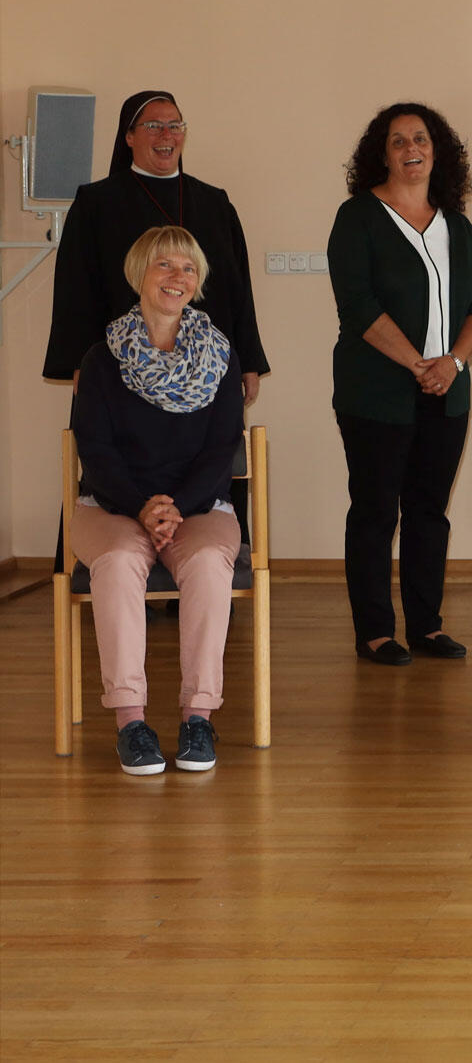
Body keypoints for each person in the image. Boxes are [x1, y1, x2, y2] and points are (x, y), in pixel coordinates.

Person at [69, 226, 245, 774]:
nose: (177, 277)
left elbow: (222, 450)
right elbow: (94, 449)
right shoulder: (102, 359)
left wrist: (174, 507)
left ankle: (198, 718)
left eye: (188, 268)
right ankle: (131, 723)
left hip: (201, 506)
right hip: (111, 504)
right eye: (165, 266)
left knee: (208, 566)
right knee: (120, 562)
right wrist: (143, 507)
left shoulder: (220, 357)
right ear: (140, 275)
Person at [328, 103, 472, 666]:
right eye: (397, 141)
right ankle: (375, 630)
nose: (410, 149)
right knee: (375, 512)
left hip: (448, 395)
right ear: (383, 153)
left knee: (429, 511)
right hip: (376, 394)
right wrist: (420, 364)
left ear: (437, 149)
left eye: (420, 138)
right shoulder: (358, 217)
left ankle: (426, 625)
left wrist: (454, 364)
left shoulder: (458, 224)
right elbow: (358, 307)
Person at [44, 90, 268, 403]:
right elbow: (76, 288)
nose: (167, 135)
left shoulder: (214, 203)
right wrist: (79, 361)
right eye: (153, 126)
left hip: (206, 369)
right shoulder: (97, 203)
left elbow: (238, 287)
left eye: (175, 126)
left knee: (213, 449)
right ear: (129, 137)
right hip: (123, 368)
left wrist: (248, 360)